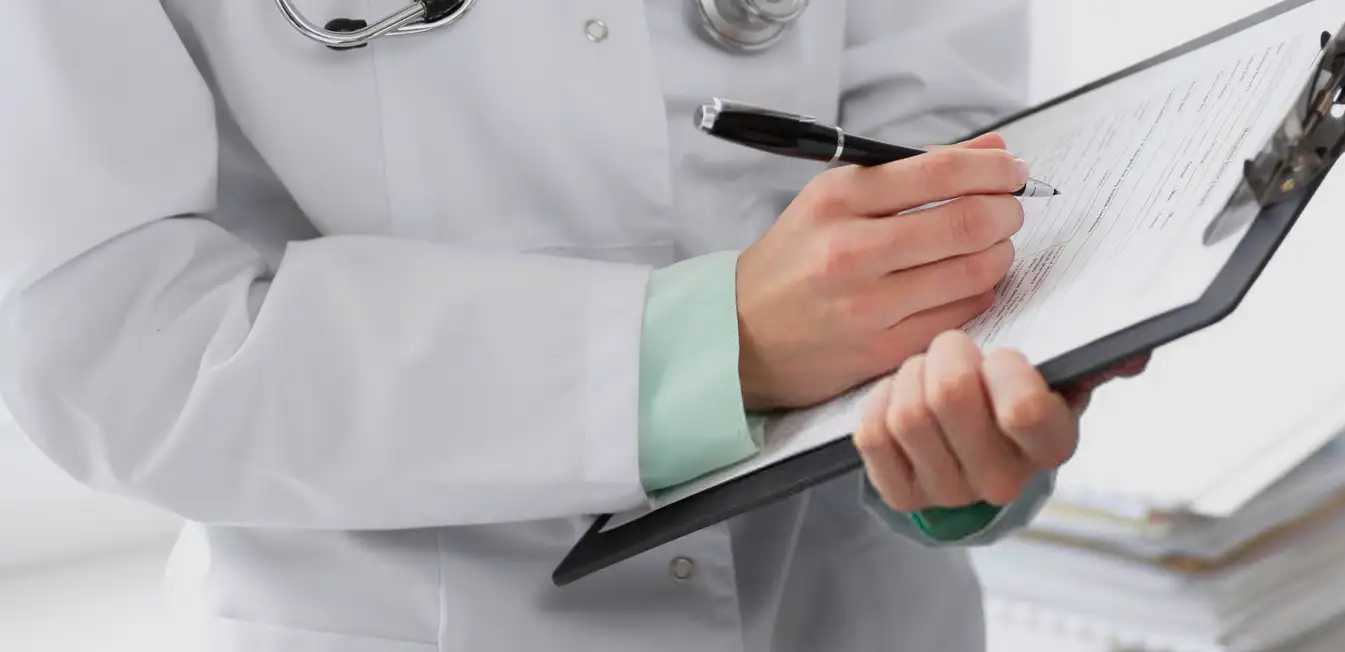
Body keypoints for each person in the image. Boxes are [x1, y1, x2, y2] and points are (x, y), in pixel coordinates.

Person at [0, 2, 1145, 651]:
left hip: (851, 613)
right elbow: (123, 347)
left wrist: (960, 416)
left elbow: (937, 125)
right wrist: (709, 347)